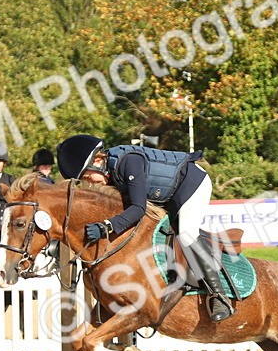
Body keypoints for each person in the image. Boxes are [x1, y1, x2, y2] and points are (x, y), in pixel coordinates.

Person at [56, 133, 233, 322]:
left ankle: (219, 296)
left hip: (192, 184)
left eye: (87, 177)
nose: (90, 183)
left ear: (98, 161)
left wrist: (107, 226)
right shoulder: (110, 174)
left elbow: (138, 209)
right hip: (169, 194)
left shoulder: (129, 163)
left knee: (187, 234)